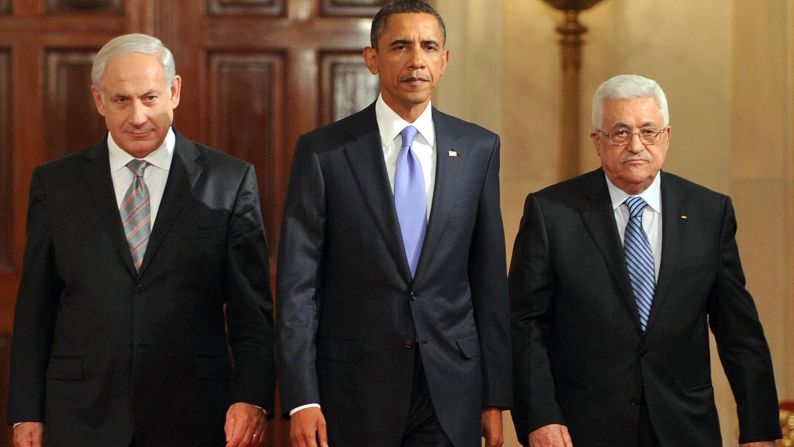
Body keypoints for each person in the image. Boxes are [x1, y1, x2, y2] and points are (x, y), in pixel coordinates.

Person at [7, 33, 274, 447]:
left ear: (175, 91)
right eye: (120, 100)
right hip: (81, 415)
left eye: (150, 98)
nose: (137, 116)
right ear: (98, 100)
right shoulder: (55, 184)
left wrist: (252, 398)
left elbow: (251, 310)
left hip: (196, 413)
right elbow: (35, 309)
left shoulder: (230, 180)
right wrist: (26, 411)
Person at [275, 1, 511, 446]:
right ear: (372, 58)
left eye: (429, 47)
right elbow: (297, 288)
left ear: (445, 60)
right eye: (400, 46)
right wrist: (302, 398)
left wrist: (494, 396)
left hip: (449, 389)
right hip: (354, 391)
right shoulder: (324, 152)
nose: (416, 60)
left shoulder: (479, 148)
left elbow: (489, 281)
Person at [509, 73, 781, 446]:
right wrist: (540, 416)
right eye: (620, 132)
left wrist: (759, 430)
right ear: (598, 142)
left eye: (648, 131)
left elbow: (740, 333)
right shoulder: (552, 213)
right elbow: (525, 324)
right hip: (581, 430)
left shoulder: (708, 213)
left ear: (667, 137)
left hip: (683, 427)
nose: (636, 145)